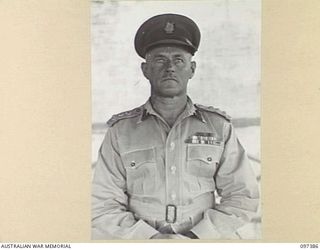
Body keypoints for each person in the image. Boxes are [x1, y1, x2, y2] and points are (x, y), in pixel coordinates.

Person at [92, 13, 259, 240]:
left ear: (192, 69)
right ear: (145, 70)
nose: (170, 67)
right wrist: (151, 239)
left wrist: (195, 238)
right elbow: (103, 203)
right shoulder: (121, 132)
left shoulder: (218, 127)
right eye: (160, 59)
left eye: (179, 60)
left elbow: (243, 196)